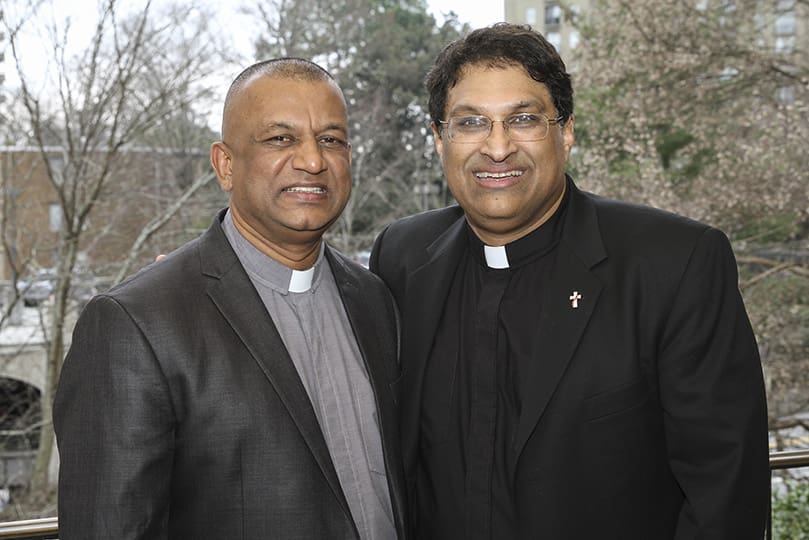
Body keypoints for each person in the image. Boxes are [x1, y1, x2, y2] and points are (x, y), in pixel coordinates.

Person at [370, 23, 770, 539]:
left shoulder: (675, 263)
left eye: (523, 119)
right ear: (439, 139)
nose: (497, 148)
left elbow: (726, 493)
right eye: (471, 122)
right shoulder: (400, 257)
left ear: (566, 131)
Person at [54, 58, 407, 540]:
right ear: (225, 164)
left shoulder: (374, 300)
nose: (312, 160)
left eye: (331, 139)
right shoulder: (137, 324)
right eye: (281, 139)